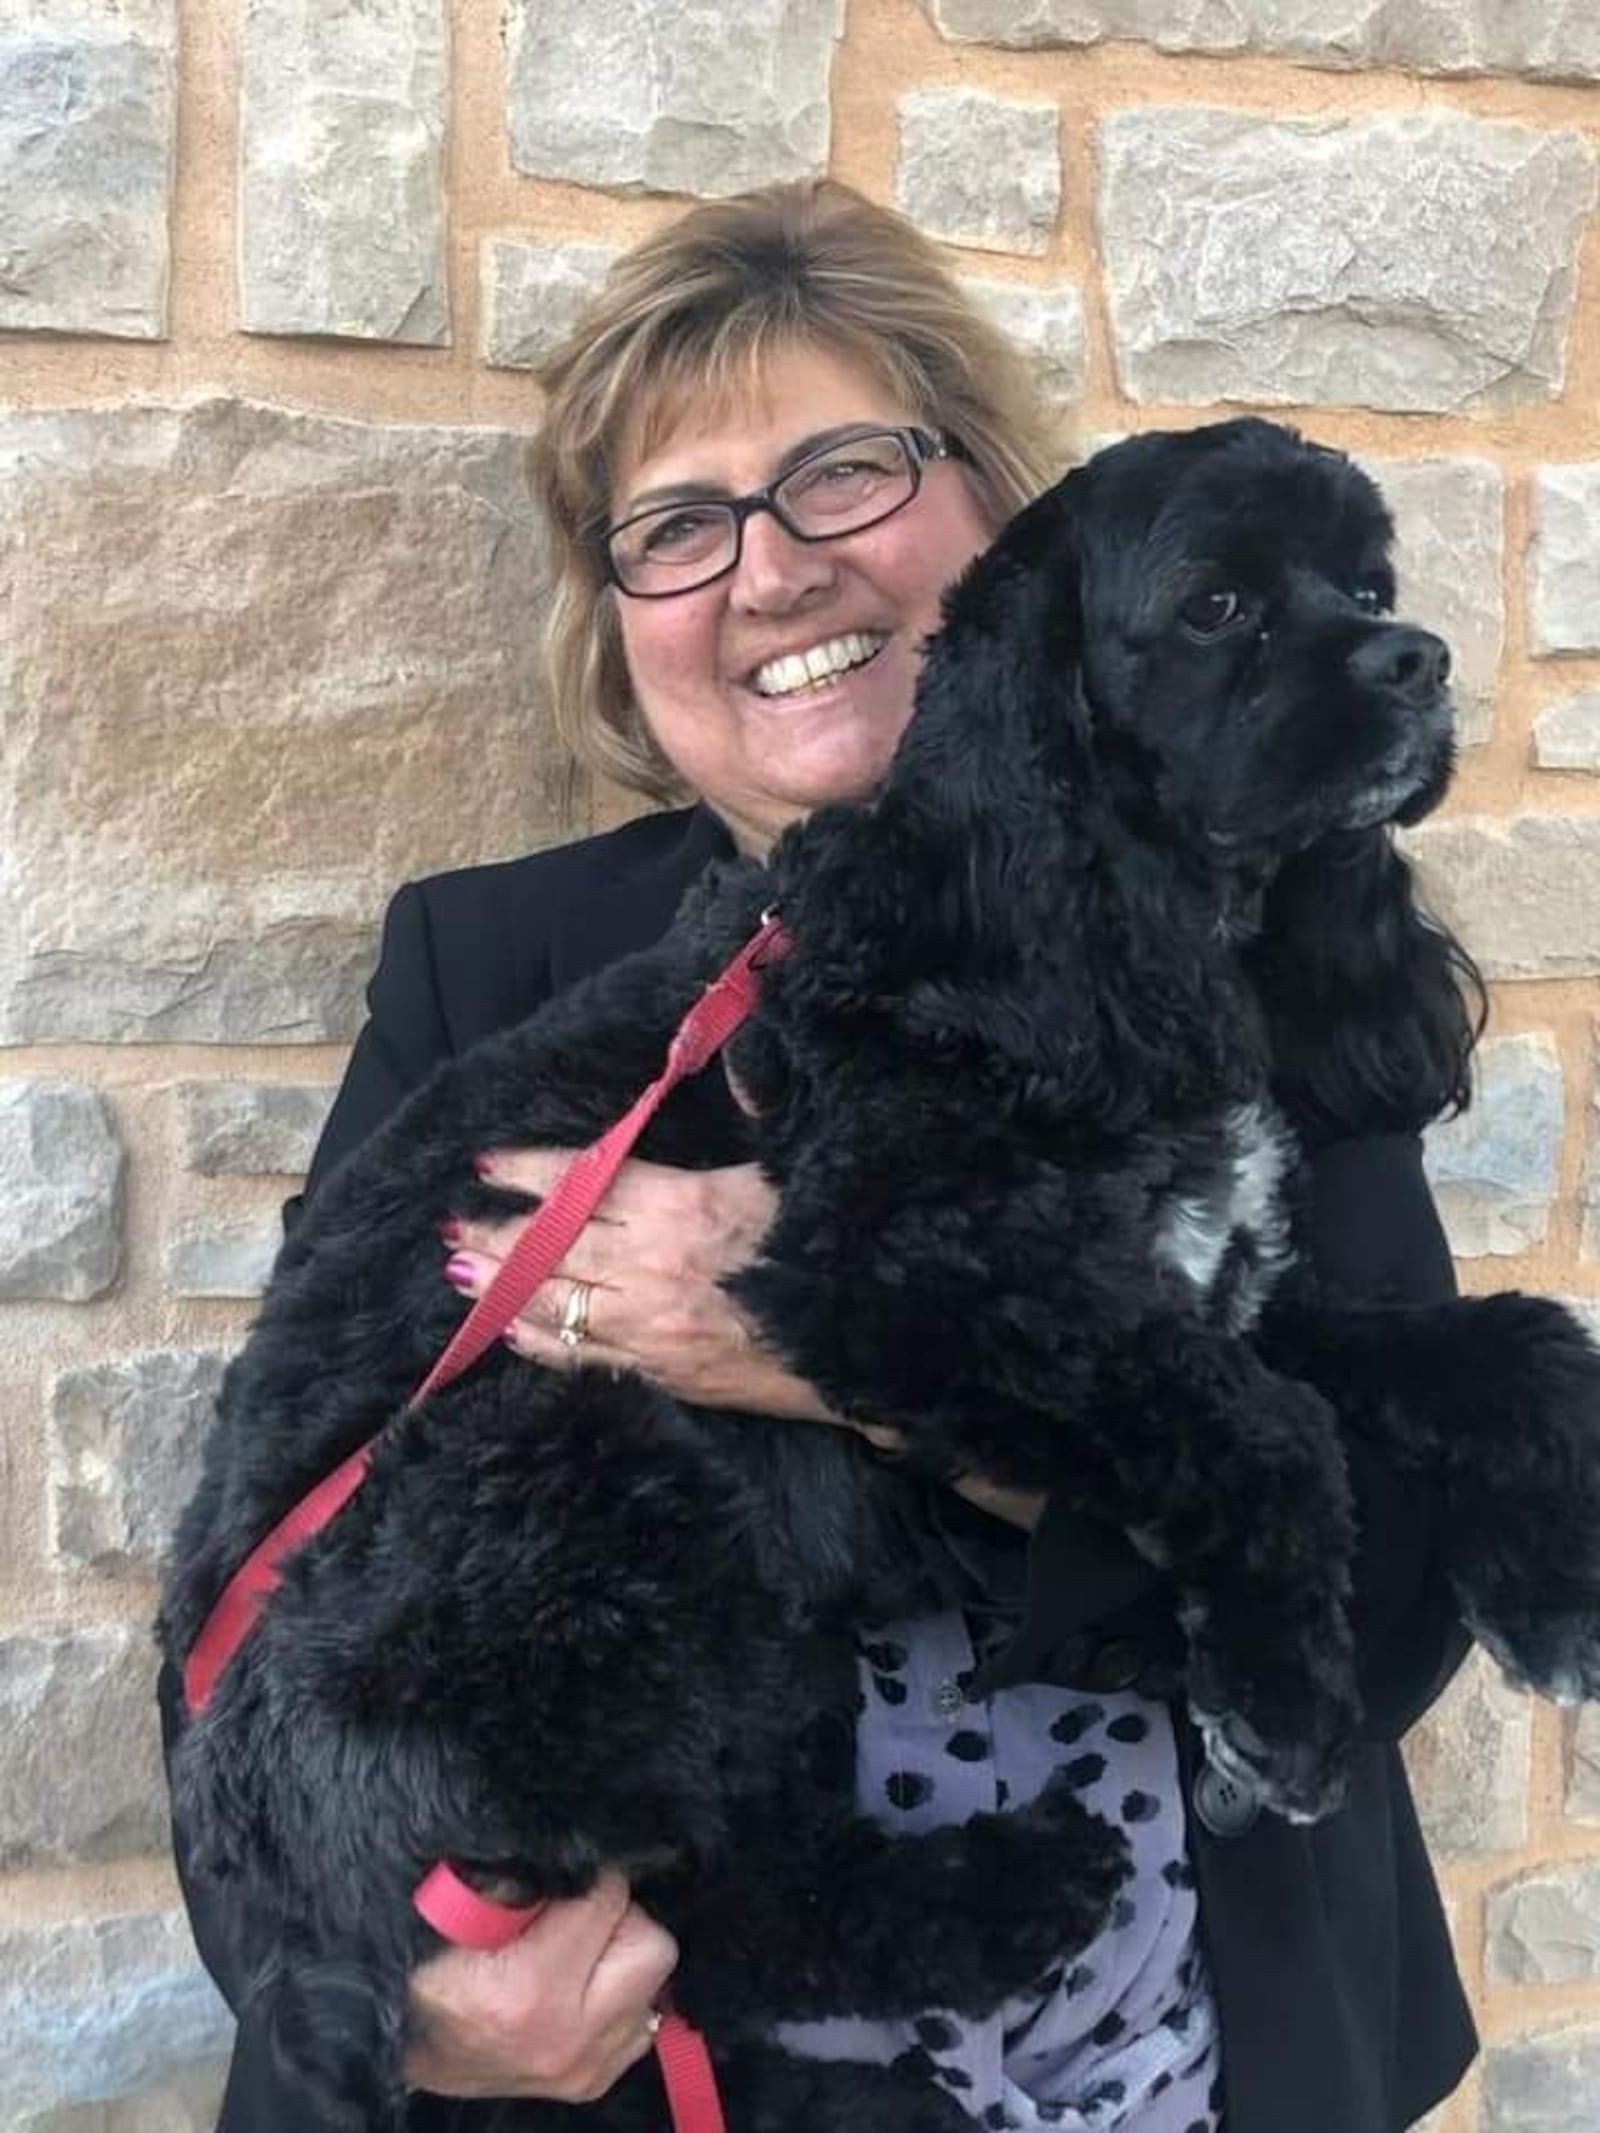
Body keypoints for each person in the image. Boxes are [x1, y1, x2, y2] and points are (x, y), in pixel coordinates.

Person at [159, 178, 1478, 2132]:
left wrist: (851, 1344)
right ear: (621, 632)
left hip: (1173, 2045)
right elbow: (268, 1542)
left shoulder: (1255, 913)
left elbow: (1398, 1559)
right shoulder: (494, 967)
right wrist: (380, 1976)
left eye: (839, 472)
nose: (766, 573)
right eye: (675, 526)